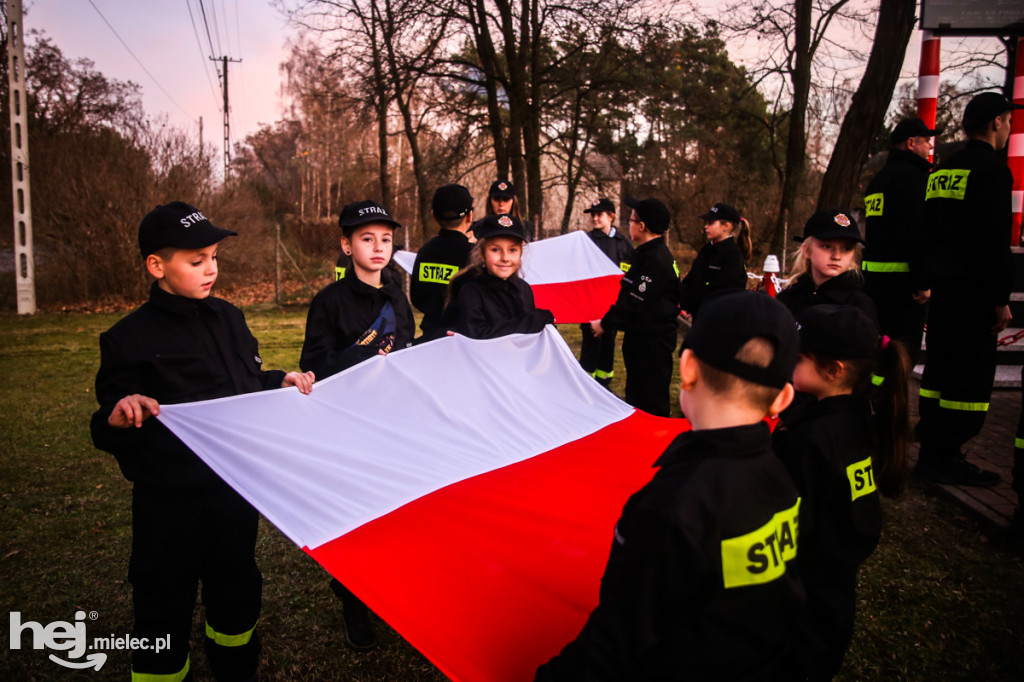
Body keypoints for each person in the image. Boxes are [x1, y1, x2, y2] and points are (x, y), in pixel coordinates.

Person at [90, 201, 315, 682]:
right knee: (161, 607)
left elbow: (244, 383)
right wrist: (119, 413)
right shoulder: (126, 339)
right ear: (157, 266)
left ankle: (235, 667)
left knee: (235, 593)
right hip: (167, 508)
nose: (211, 268)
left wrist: (279, 380)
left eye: (214, 256)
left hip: (233, 495)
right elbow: (104, 422)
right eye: (196, 260)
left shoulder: (230, 318)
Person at [537, 291, 803, 680]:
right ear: (783, 397)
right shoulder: (782, 476)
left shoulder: (670, 507)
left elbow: (618, 639)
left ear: (688, 368)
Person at [299, 199, 415, 649]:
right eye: (367, 239)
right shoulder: (328, 302)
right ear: (347, 246)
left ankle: (383, 591)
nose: (378, 247)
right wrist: (366, 356)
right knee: (357, 519)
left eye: (385, 239)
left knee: (394, 514)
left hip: (394, 423)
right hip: (349, 426)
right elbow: (314, 366)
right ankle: (353, 600)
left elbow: (404, 350)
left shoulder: (396, 295)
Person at [773, 304, 910, 679]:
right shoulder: (857, 421)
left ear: (834, 371)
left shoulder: (810, 440)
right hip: (833, 600)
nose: (789, 364)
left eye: (799, 358)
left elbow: (782, 520)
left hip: (799, 608)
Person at [916, 92, 1020, 487]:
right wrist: (1000, 298)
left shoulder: (943, 170)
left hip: (943, 294)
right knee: (968, 380)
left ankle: (932, 450)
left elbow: (928, 231)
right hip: (975, 296)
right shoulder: (991, 170)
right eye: (1009, 121)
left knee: (940, 373)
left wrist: (927, 279)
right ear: (995, 122)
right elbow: (994, 241)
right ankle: (947, 455)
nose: (1009, 127)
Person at [591, 197, 681, 417]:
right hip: (642, 341)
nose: (628, 224)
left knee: (649, 402)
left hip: (651, 345)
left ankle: (653, 444)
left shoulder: (655, 259)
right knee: (638, 396)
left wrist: (605, 324)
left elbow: (634, 301)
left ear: (642, 226)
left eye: (631, 220)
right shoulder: (647, 254)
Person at [862, 117, 940, 363]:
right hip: (904, 290)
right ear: (911, 143)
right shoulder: (914, 179)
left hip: (874, 286)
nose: (930, 146)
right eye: (926, 141)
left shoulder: (877, 182)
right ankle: (890, 402)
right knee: (901, 359)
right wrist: (923, 281)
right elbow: (917, 232)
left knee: (877, 355)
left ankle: (873, 399)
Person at [445, 213, 554, 338]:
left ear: (520, 253)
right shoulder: (471, 291)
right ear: (482, 253)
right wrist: (531, 322)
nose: (505, 258)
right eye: (495, 250)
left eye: (512, 250)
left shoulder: (523, 289)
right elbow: (477, 336)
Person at [777, 209, 877, 323]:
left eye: (847, 248)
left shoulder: (859, 305)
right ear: (807, 250)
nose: (837, 256)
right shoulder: (789, 297)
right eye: (827, 246)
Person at [578, 197, 633, 387]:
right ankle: (586, 388)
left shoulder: (623, 243)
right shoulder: (586, 241)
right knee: (590, 351)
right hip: (591, 308)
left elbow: (630, 272)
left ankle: (604, 385)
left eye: (599, 214)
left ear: (611, 216)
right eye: (592, 214)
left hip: (612, 309)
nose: (594, 218)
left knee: (608, 350)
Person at [410, 184, 476, 341]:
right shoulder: (474, 255)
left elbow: (417, 296)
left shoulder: (425, 251)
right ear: (470, 216)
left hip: (429, 336)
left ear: (433, 216)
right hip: (462, 337)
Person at [679, 202, 750, 321]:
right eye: (706, 223)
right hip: (700, 315)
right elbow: (693, 277)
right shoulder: (707, 249)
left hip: (719, 319)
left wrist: (693, 303)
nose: (705, 227)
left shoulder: (733, 255)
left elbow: (723, 290)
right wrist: (682, 301)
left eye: (710, 223)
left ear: (726, 226)